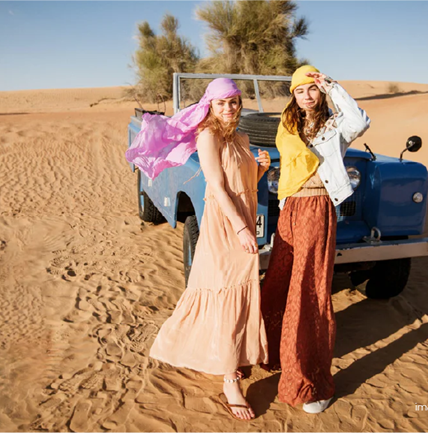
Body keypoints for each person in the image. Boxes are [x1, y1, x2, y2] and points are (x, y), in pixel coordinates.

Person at [128, 78, 271, 421]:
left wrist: (261, 168)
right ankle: (228, 379)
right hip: (225, 224)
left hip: (244, 216)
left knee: (241, 291)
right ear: (210, 105)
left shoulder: (241, 138)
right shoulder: (207, 136)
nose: (229, 108)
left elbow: (244, 185)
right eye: (221, 103)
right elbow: (219, 189)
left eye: (234, 102)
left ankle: (232, 356)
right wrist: (240, 229)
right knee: (224, 292)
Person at [260, 65, 370, 414]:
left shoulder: (334, 125)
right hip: (290, 208)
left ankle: (312, 381)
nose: (306, 96)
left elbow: (360, 120)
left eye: (312, 89)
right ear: (293, 94)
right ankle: (276, 353)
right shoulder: (288, 124)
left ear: (320, 92)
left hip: (318, 208)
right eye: (300, 90)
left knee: (310, 292)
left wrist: (332, 85)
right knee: (280, 283)